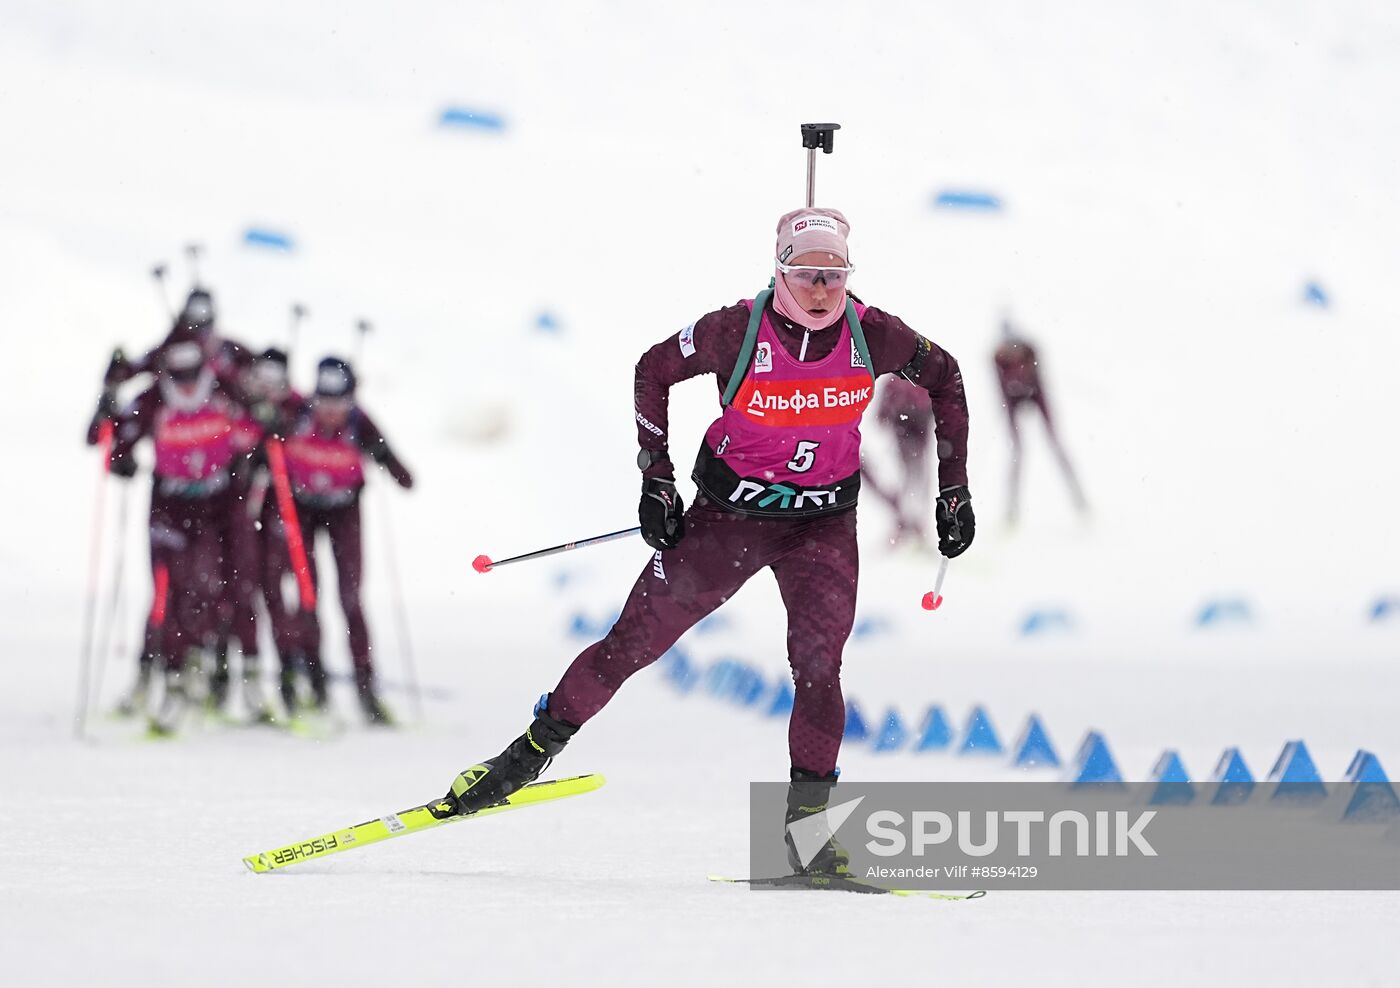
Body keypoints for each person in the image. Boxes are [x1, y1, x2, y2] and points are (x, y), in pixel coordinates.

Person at [440, 208, 974, 876]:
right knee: (630, 646)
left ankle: (807, 843)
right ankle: (520, 759)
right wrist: (655, 480)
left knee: (818, 668)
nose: (821, 291)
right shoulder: (734, 330)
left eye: (835, 277)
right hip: (729, 522)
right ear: (780, 272)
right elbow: (652, 369)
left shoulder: (873, 333)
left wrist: (953, 490)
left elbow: (947, 376)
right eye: (808, 275)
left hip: (821, 528)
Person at [108, 329, 250, 734]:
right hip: (168, 508)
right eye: (178, 369)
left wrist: (250, 452)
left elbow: (261, 418)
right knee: (166, 594)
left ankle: (198, 673)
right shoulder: (153, 397)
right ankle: (157, 677)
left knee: (209, 590)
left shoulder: (224, 388)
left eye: (192, 368)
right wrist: (120, 449)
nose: (186, 380)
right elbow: (115, 436)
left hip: (216, 506)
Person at [279, 357, 414, 724]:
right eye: (324, 401)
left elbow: (402, 473)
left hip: (344, 512)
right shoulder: (297, 414)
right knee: (308, 597)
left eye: (339, 402)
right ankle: (314, 683)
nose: (331, 411)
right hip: (302, 511)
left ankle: (366, 689)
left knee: (351, 599)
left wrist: (387, 459)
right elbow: (265, 437)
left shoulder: (360, 422)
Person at [993, 316, 1087, 525]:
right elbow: (1000, 387)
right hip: (1013, 399)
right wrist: (1007, 408)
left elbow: (1041, 379)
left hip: (1036, 394)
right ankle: (1011, 510)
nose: (1011, 350)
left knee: (1055, 443)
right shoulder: (997, 358)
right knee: (1016, 451)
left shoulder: (1030, 351)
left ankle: (1079, 499)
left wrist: (1030, 388)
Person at [862, 375, 936, 547]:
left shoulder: (901, 382)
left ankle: (911, 524)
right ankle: (909, 524)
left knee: (915, 479)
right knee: (913, 479)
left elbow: (882, 416)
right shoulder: (904, 382)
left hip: (909, 438)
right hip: (905, 438)